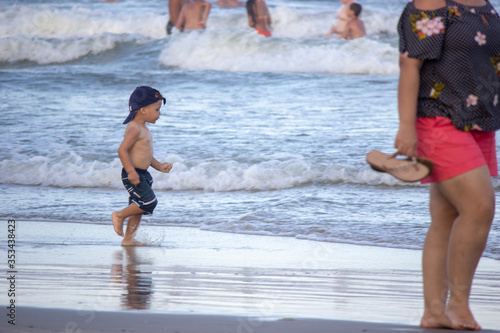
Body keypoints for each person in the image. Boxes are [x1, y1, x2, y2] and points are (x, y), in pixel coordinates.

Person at [395, 0, 500, 330]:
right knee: (480, 207)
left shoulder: (485, 4)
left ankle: (434, 312)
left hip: (478, 121)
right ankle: (457, 305)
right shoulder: (434, 3)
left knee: (446, 216)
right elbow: (410, 65)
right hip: (439, 118)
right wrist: (406, 126)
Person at [112, 86, 173, 246]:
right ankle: (119, 215)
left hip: (143, 174)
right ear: (144, 109)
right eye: (157, 109)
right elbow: (122, 150)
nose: (160, 114)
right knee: (149, 202)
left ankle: (128, 239)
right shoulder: (134, 128)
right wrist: (131, 172)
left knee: (138, 207)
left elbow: (145, 154)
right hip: (133, 174)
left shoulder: (144, 128)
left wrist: (159, 166)